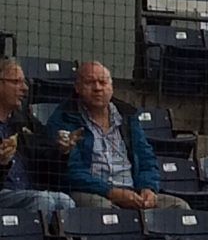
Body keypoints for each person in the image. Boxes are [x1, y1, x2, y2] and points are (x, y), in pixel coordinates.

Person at [50, 62, 187, 211]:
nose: (97, 88)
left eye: (103, 82)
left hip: (132, 191)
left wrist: (148, 188)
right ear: (77, 87)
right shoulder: (64, 118)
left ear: (111, 87)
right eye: (90, 82)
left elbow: (146, 158)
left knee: (179, 207)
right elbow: (72, 172)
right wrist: (110, 192)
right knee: (105, 210)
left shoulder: (127, 116)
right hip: (92, 192)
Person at [0, 59, 72, 218]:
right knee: (42, 200)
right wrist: (2, 164)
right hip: (4, 193)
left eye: (24, 82)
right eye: (16, 82)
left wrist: (61, 151)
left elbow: (44, 161)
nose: (25, 88)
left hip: (27, 191)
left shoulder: (24, 121)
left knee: (65, 201)